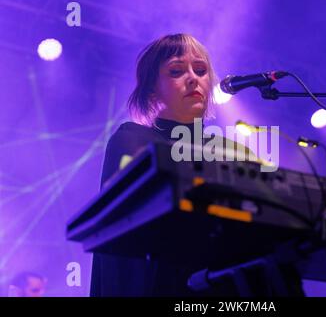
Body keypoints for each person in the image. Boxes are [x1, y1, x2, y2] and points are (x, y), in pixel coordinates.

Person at [90, 33, 253, 297]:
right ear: (152, 89)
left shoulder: (229, 150)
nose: (193, 78)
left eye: (201, 70)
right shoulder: (133, 138)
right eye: (176, 71)